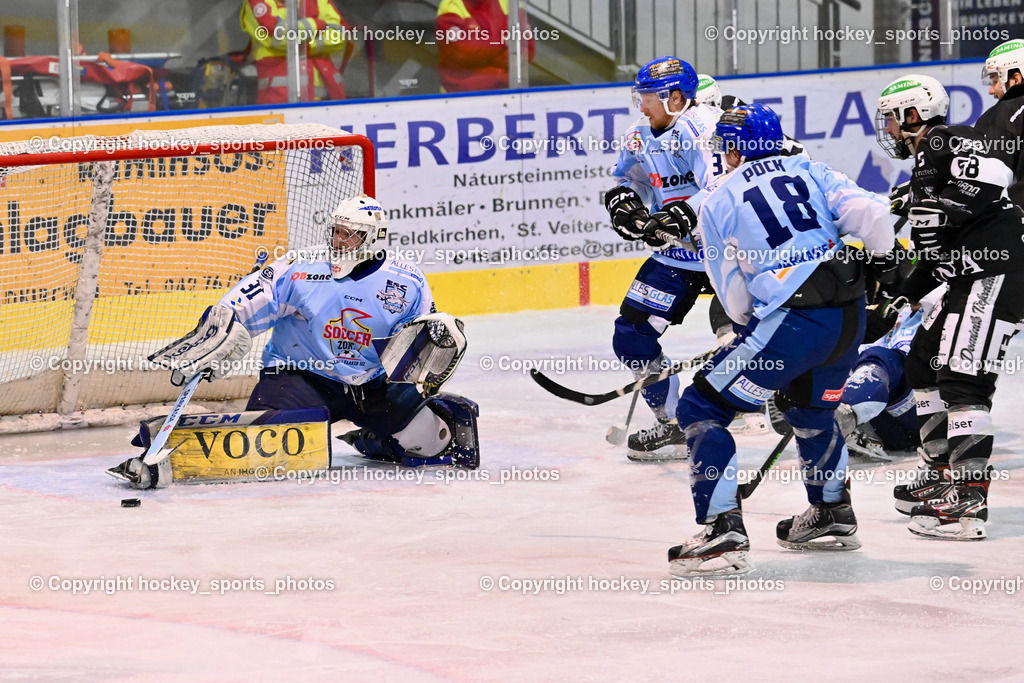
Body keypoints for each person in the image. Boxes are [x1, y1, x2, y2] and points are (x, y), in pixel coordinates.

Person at [660, 104, 896, 577]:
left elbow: (730, 289)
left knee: (700, 408)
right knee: (810, 410)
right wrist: (882, 260)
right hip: (848, 313)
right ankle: (832, 514)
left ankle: (721, 530)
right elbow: (873, 215)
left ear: (732, 149)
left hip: (793, 321)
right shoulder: (809, 167)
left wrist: (750, 326)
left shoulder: (718, 198)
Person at [112, 195, 479, 488]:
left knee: (436, 443)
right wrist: (224, 326)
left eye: (350, 234)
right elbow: (250, 297)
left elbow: (417, 345)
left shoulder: (407, 281)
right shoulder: (302, 266)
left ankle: (376, 439)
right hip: (300, 377)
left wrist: (433, 353)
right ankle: (178, 453)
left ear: (374, 239)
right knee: (274, 449)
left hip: (371, 384)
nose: (339, 241)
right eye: (336, 231)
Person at [876, 73, 1024, 540]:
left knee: (963, 377)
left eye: (892, 120)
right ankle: (941, 470)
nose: (890, 130)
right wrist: (902, 292)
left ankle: (967, 498)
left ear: (911, 114)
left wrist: (945, 208)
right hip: (970, 275)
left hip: (995, 274)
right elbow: (937, 253)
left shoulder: (945, 138)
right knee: (923, 362)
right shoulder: (928, 161)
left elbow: (998, 174)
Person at [604, 56, 727, 462]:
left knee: (764, 337)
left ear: (676, 98)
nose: (642, 106)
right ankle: (673, 422)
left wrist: (680, 215)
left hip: (729, 254)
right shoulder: (638, 134)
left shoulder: (706, 130)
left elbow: (722, 186)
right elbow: (627, 178)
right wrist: (624, 202)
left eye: (650, 98)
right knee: (631, 333)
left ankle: (791, 401)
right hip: (677, 256)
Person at [240, 0, 350, 104]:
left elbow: (340, 35)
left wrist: (306, 44)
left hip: (328, 101)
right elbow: (277, 37)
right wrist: (315, 25)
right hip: (279, 103)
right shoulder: (256, 2)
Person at [435, 0, 535, 93]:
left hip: (508, 94)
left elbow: (526, 49)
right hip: (461, 97)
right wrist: (503, 42)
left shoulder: (509, 2)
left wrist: (488, 51)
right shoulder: (451, 6)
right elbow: (462, 52)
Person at [975, 39, 1024, 207]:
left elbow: (990, 186)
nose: (991, 90)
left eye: (995, 81)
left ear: (1016, 79)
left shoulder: (1004, 112)